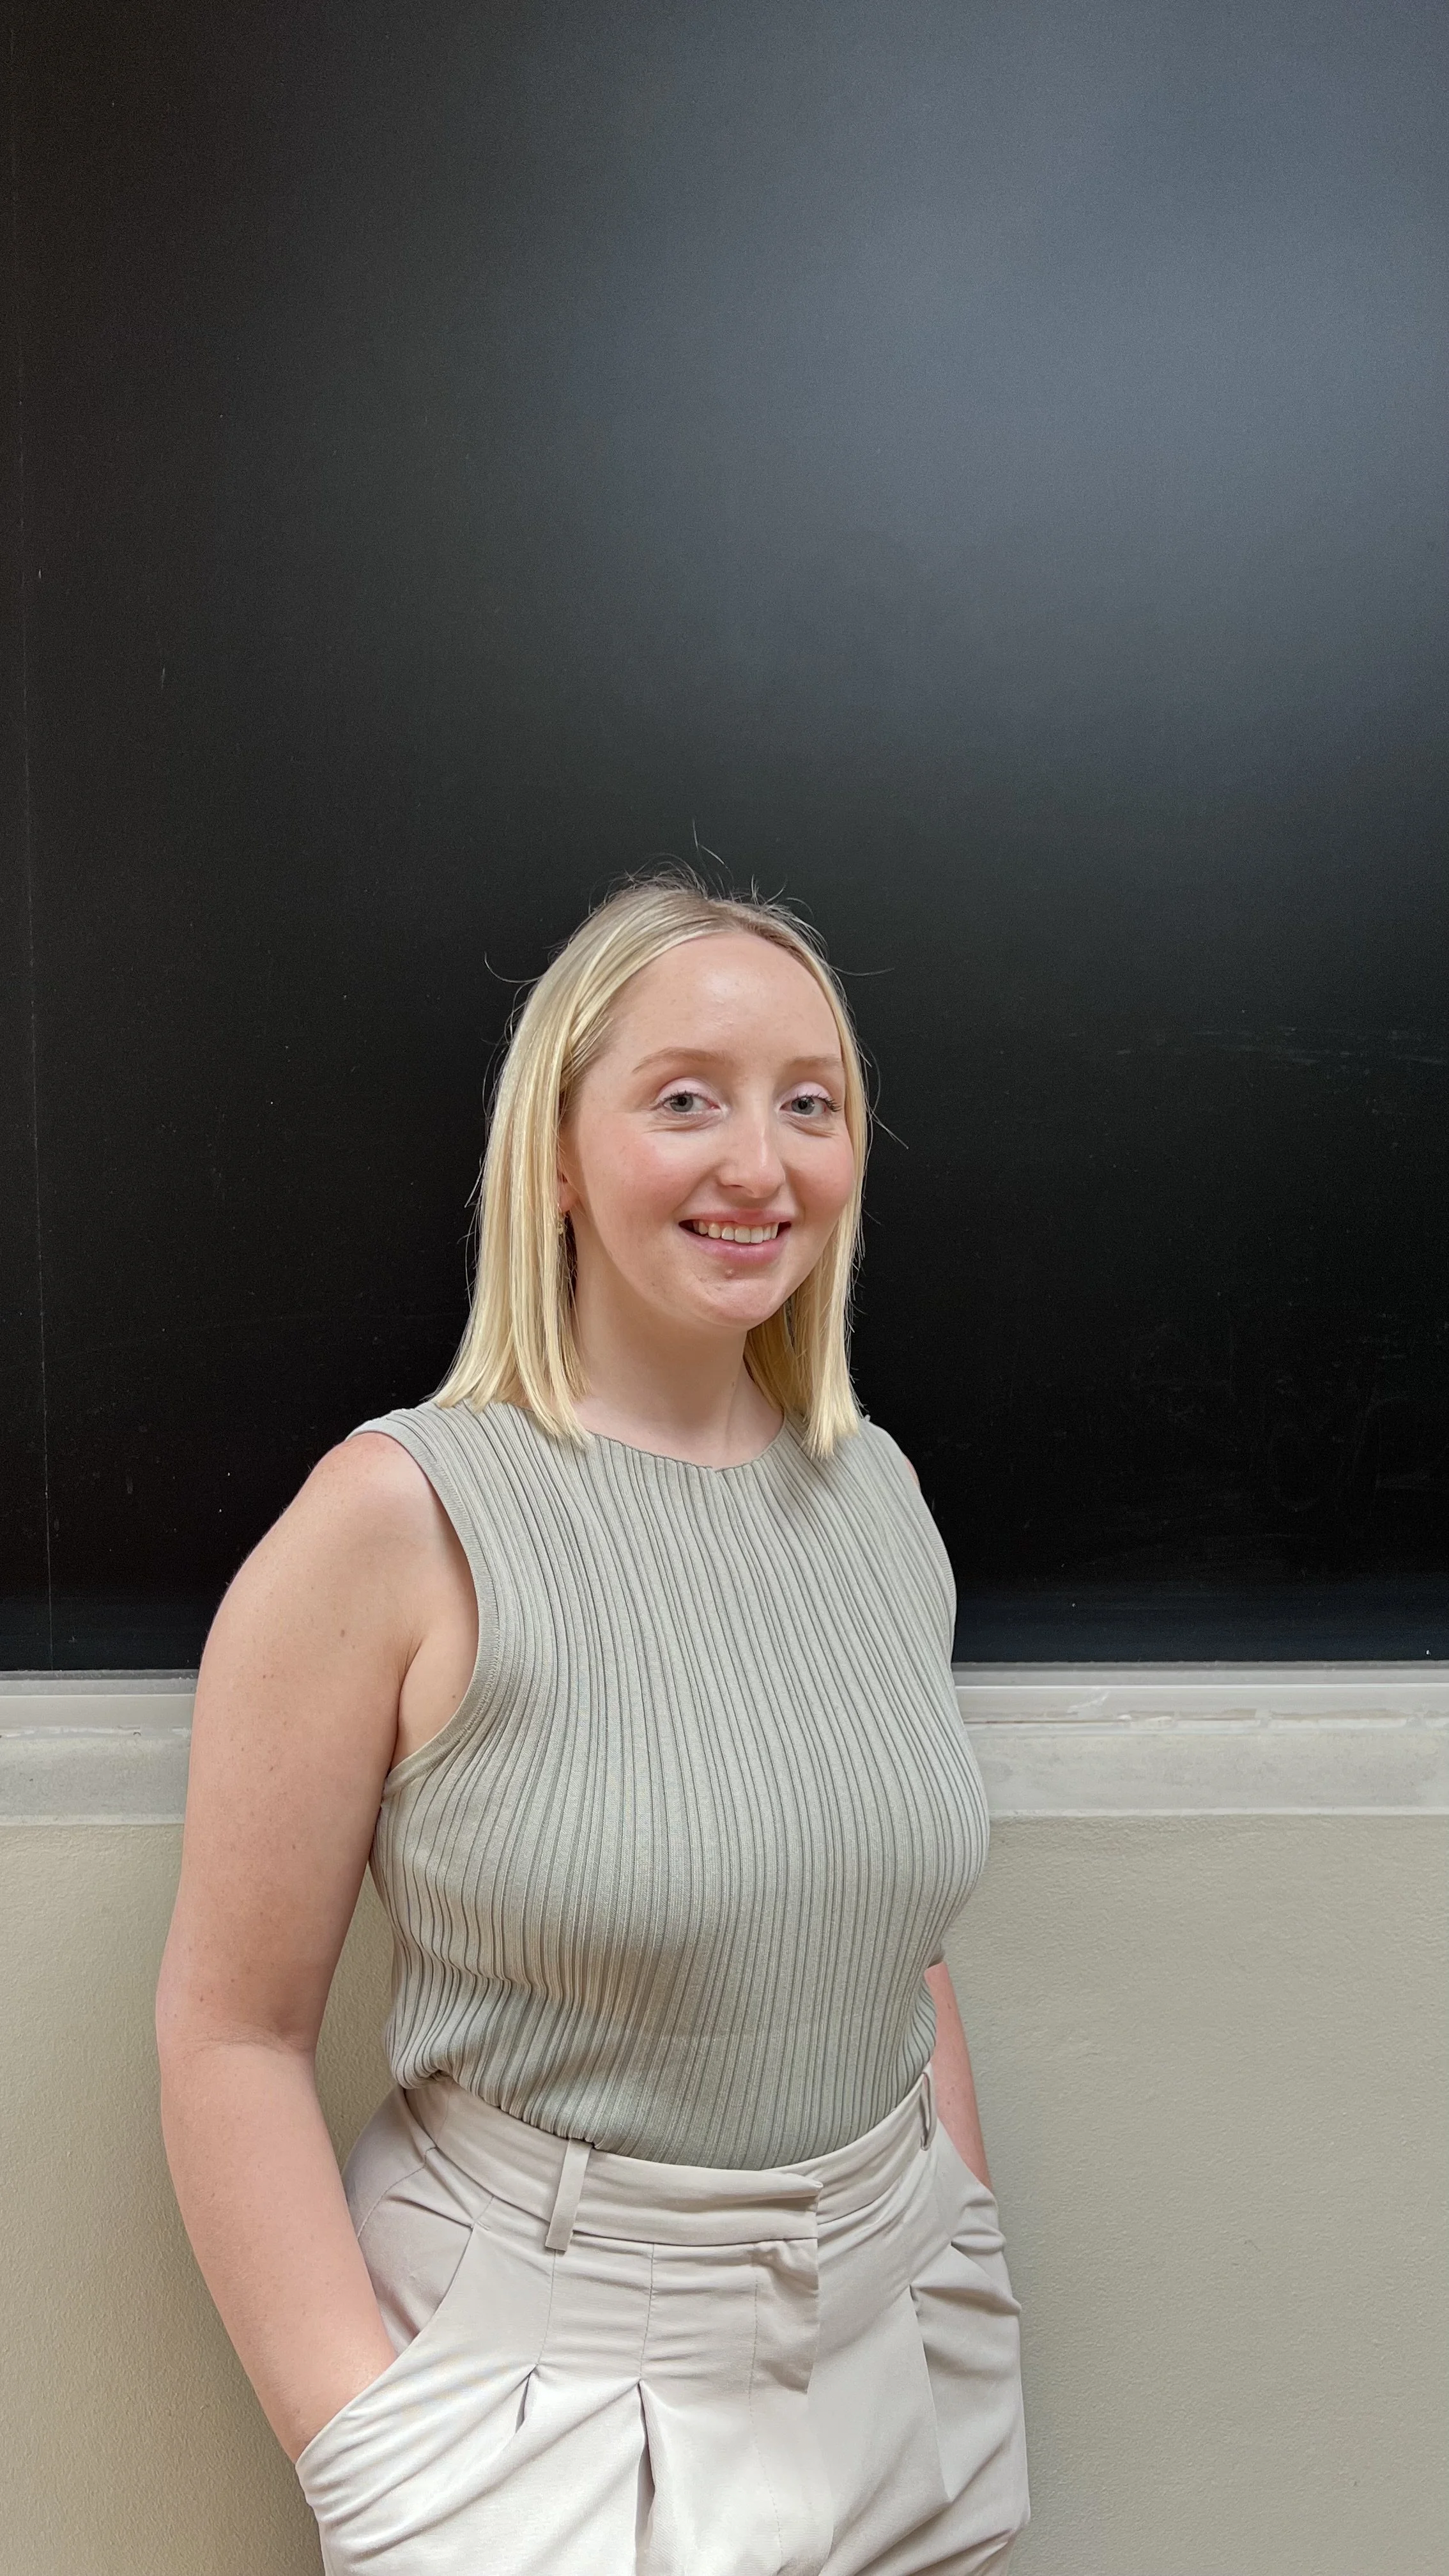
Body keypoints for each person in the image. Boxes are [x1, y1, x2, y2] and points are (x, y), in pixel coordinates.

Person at [155, 867, 1031, 2575]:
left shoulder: (875, 1495)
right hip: (538, 2408)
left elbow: (894, 1937)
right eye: (685, 1100)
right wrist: (377, 2462)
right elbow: (231, 2037)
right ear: (555, 1151)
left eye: (810, 1105)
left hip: (903, 2369)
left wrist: (964, 2254)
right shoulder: (398, 1519)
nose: (758, 1164)